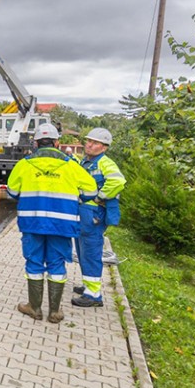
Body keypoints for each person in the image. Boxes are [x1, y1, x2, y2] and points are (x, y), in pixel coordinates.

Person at [8, 124, 98, 323]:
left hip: (32, 223)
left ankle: (34, 308)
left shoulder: (24, 164)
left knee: (34, 262)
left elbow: (12, 192)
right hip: (63, 224)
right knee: (57, 263)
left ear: (36, 143)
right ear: (57, 143)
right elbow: (91, 191)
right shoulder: (71, 165)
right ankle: (55, 312)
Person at [71, 128, 126, 307]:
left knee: (91, 251)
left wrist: (100, 196)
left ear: (104, 147)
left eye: (94, 143)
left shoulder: (105, 163)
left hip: (93, 213)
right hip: (83, 211)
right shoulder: (86, 161)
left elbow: (118, 181)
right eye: (88, 141)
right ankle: (88, 286)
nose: (89, 144)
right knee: (82, 250)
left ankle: (94, 295)